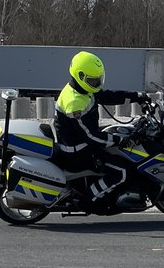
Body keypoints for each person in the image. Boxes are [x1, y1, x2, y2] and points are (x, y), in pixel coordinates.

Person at [53, 50, 150, 212]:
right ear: (80, 76)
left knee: (117, 135)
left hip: (79, 142)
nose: (97, 84)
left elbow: (106, 96)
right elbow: (91, 137)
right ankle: (88, 201)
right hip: (77, 153)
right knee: (122, 171)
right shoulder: (75, 103)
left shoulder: (81, 89)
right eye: (94, 81)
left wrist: (136, 96)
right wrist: (119, 140)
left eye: (99, 79)